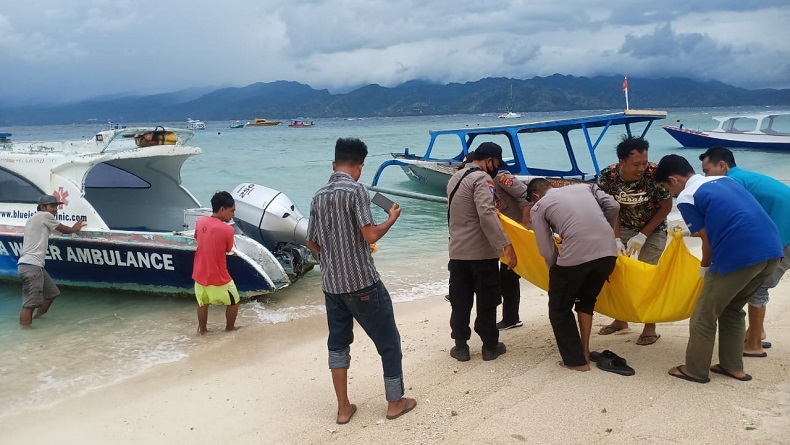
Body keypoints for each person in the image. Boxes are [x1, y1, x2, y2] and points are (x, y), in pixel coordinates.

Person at [306, 137, 416, 424]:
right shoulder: (357, 191)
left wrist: (333, 253)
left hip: (332, 287)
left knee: (338, 346)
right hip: (363, 283)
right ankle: (395, 402)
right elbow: (370, 235)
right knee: (388, 342)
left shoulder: (318, 196)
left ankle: (343, 409)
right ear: (359, 167)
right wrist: (391, 218)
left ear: (334, 164)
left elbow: (312, 243)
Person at [654, 155, 782, 383]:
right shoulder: (725, 181)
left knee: (704, 314)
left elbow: (706, 240)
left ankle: (695, 370)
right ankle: (733, 367)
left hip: (739, 254)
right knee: (732, 308)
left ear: (673, 180)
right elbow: (731, 216)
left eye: (667, 188)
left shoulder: (686, 196)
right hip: (772, 249)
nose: (672, 195)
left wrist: (706, 268)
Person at [698, 146, 790, 357]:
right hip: (781, 227)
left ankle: (755, 344)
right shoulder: (745, 177)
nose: (705, 177)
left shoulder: (731, 182)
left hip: (786, 231)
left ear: (722, 166)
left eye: (706, 170)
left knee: (757, 286)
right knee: (756, 283)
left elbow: (727, 220)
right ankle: (757, 331)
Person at [527, 178, 619, 371]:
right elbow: (613, 205)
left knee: (559, 309)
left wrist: (556, 273)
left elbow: (546, 249)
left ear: (535, 196)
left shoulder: (539, 206)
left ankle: (576, 362)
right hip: (608, 253)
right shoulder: (586, 188)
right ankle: (584, 351)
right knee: (586, 302)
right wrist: (605, 232)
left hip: (576, 258)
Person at [597, 135, 672, 346]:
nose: (642, 168)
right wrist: (616, 237)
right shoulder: (608, 177)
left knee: (648, 276)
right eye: (636, 164)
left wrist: (644, 235)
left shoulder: (655, 174)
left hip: (654, 228)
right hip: (625, 226)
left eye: (645, 162)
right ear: (622, 162)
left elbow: (666, 207)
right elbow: (612, 208)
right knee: (619, 273)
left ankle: (650, 326)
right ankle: (621, 319)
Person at [446, 142, 517, 362]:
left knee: (460, 300)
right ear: (488, 161)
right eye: (496, 163)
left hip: (457, 253)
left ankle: (461, 347)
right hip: (482, 254)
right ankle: (489, 346)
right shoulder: (482, 179)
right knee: (487, 300)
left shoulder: (454, 178)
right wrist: (506, 245)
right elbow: (486, 213)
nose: (495, 168)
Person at [18, 195, 85, 326]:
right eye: (52, 206)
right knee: (29, 304)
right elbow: (65, 230)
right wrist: (76, 227)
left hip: (32, 265)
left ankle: (37, 319)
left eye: (56, 206)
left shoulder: (32, 219)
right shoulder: (45, 216)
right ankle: (26, 332)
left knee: (52, 293)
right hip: (32, 265)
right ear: (42, 207)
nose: (55, 209)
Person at [192, 191, 240, 334]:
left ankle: (203, 331)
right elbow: (228, 249)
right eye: (232, 211)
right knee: (233, 301)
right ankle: (230, 329)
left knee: (202, 303)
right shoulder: (228, 230)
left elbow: (197, 237)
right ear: (222, 209)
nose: (233, 215)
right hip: (218, 277)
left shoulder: (200, 221)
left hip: (199, 274)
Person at [492, 167, 531, 330]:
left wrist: (525, 222)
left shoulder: (501, 178)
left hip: (520, 234)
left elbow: (527, 196)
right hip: (508, 235)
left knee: (508, 275)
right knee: (507, 275)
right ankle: (511, 317)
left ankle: (511, 318)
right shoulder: (485, 181)